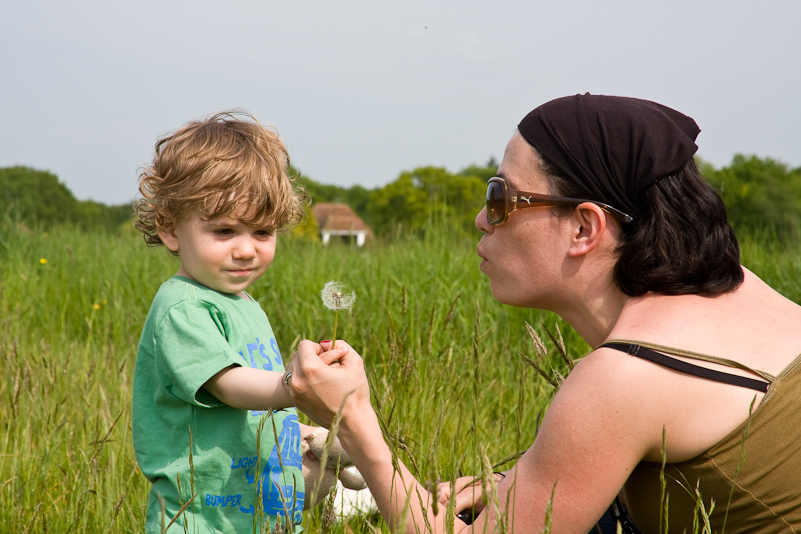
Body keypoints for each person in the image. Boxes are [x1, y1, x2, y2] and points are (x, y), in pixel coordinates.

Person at [283, 94, 801, 533]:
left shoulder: (626, 376)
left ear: (584, 228)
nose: (482, 219)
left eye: (501, 197)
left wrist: (354, 422)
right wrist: (518, 484)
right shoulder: (736, 289)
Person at [132, 111, 342, 533]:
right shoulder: (184, 307)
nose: (246, 250)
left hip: (255, 511)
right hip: (205, 518)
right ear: (171, 229)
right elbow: (228, 385)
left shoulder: (240, 301)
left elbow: (246, 410)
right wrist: (295, 387)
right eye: (224, 232)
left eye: (262, 233)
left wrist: (292, 427)